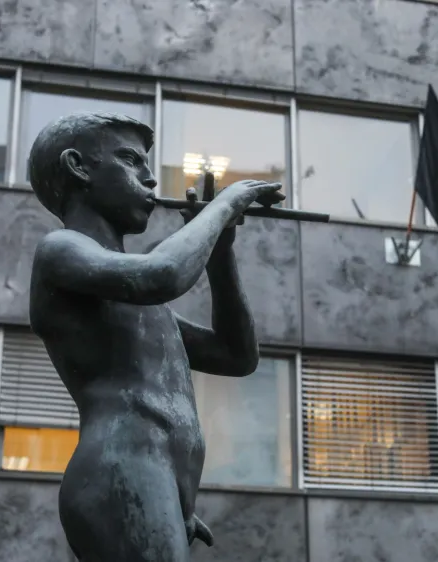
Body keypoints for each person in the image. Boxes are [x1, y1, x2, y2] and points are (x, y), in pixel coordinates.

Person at [26, 111, 283, 561]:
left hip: (154, 476)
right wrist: (224, 205)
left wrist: (221, 251)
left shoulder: (136, 299)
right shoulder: (61, 249)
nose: (149, 179)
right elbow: (162, 274)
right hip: (122, 466)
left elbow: (236, 355)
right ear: (78, 167)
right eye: (131, 161)